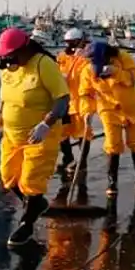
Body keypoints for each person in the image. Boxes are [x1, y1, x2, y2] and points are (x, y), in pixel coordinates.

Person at [0, 27, 70, 247]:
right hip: (12, 134)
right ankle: (36, 204)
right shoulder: (8, 69)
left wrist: (47, 123)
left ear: (23, 50)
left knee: (30, 181)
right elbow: (5, 96)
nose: (6, 59)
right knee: (8, 176)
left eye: (9, 54)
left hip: (40, 135)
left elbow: (62, 98)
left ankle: (27, 223)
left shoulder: (43, 64)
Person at [78, 41, 135, 196]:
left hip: (132, 106)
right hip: (109, 109)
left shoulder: (123, 58)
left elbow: (134, 78)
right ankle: (112, 181)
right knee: (112, 144)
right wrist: (87, 111)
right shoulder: (87, 70)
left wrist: (117, 72)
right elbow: (85, 93)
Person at [55, 27, 93, 202]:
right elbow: (55, 71)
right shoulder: (62, 57)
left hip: (81, 101)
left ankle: (82, 162)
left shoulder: (86, 58)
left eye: (73, 43)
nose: (70, 46)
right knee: (62, 133)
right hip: (65, 100)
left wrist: (85, 57)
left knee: (83, 134)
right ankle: (68, 158)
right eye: (68, 43)